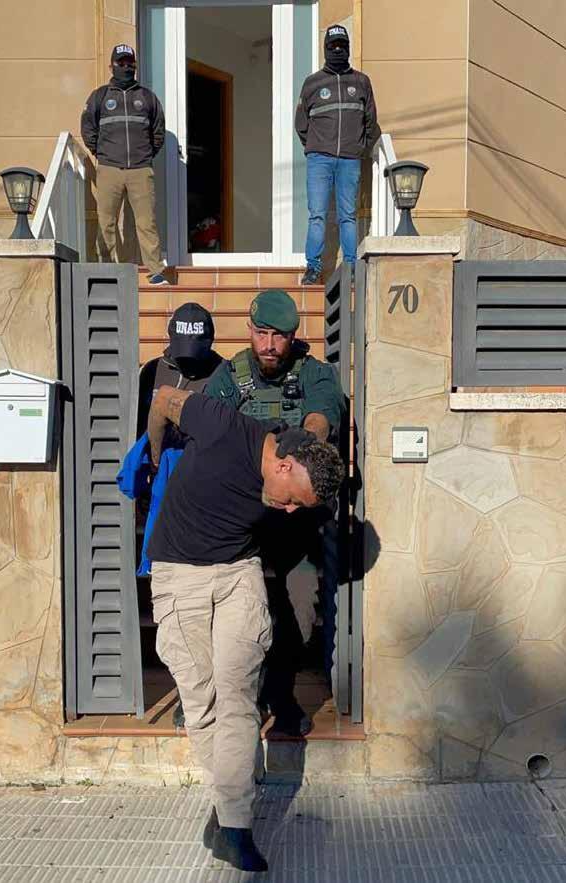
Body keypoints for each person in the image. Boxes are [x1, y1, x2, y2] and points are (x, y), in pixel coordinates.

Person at [147, 389, 345, 871]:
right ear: (282, 466)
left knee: (237, 694)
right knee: (203, 702)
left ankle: (234, 826)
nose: (290, 511)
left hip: (239, 572)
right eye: (293, 500)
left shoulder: (291, 473)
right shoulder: (221, 425)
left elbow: (315, 431)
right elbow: (162, 398)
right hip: (180, 576)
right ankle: (226, 806)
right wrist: (154, 458)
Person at [202, 288, 345, 737]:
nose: (268, 345)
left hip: (295, 525)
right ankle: (218, 701)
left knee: (298, 609)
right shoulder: (232, 376)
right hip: (240, 522)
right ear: (249, 330)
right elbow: (206, 428)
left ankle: (280, 695)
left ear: (293, 336)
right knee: (227, 613)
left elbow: (323, 415)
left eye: (279, 336)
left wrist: (306, 440)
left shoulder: (314, 373)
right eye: (261, 333)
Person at [295, 24, 381, 285]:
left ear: (348, 48)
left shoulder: (361, 82)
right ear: (325, 49)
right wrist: (316, 146)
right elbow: (301, 124)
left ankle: (351, 268)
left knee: (347, 216)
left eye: (342, 46)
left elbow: (371, 122)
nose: (337, 50)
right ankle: (313, 268)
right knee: (317, 215)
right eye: (333, 46)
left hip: (349, 161)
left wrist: (359, 148)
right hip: (319, 160)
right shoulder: (312, 83)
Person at [81, 44, 169, 285]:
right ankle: (105, 270)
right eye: (121, 63)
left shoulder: (147, 97)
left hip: (140, 170)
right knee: (106, 222)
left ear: (135, 65)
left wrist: (146, 155)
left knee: (147, 223)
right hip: (109, 169)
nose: (126, 67)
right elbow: (88, 128)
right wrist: (101, 153)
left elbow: (158, 132)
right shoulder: (100, 96)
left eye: (130, 63)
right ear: (112, 66)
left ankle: (156, 270)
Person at [137, 302, 223, 439]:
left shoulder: (223, 374)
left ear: (210, 341)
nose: (188, 361)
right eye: (182, 354)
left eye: (195, 355)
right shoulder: (152, 370)